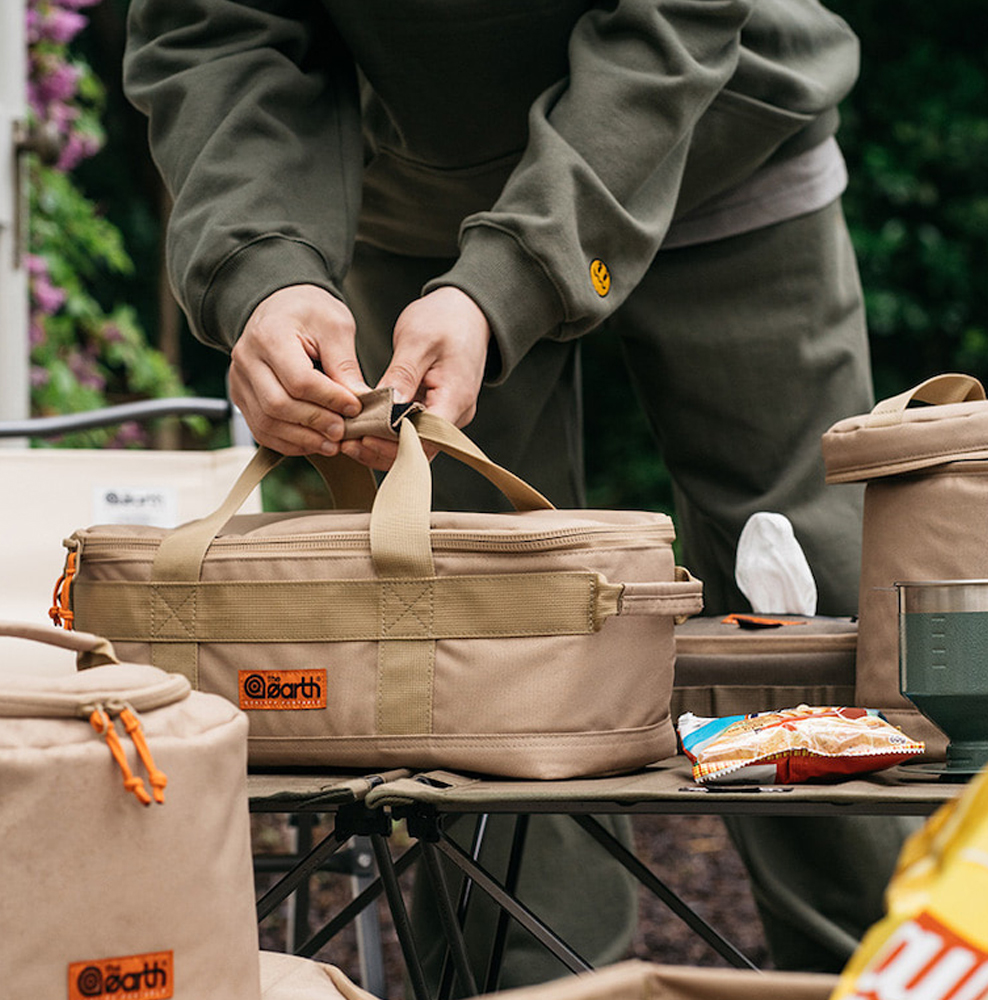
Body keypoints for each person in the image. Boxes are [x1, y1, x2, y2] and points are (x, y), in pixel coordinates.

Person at [123, 0, 919, 983]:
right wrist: (265, 269)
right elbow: (214, 26)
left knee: (805, 594)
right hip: (420, 201)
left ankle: (886, 969)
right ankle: (535, 980)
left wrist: (508, 282)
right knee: (484, 633)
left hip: (715, 132)